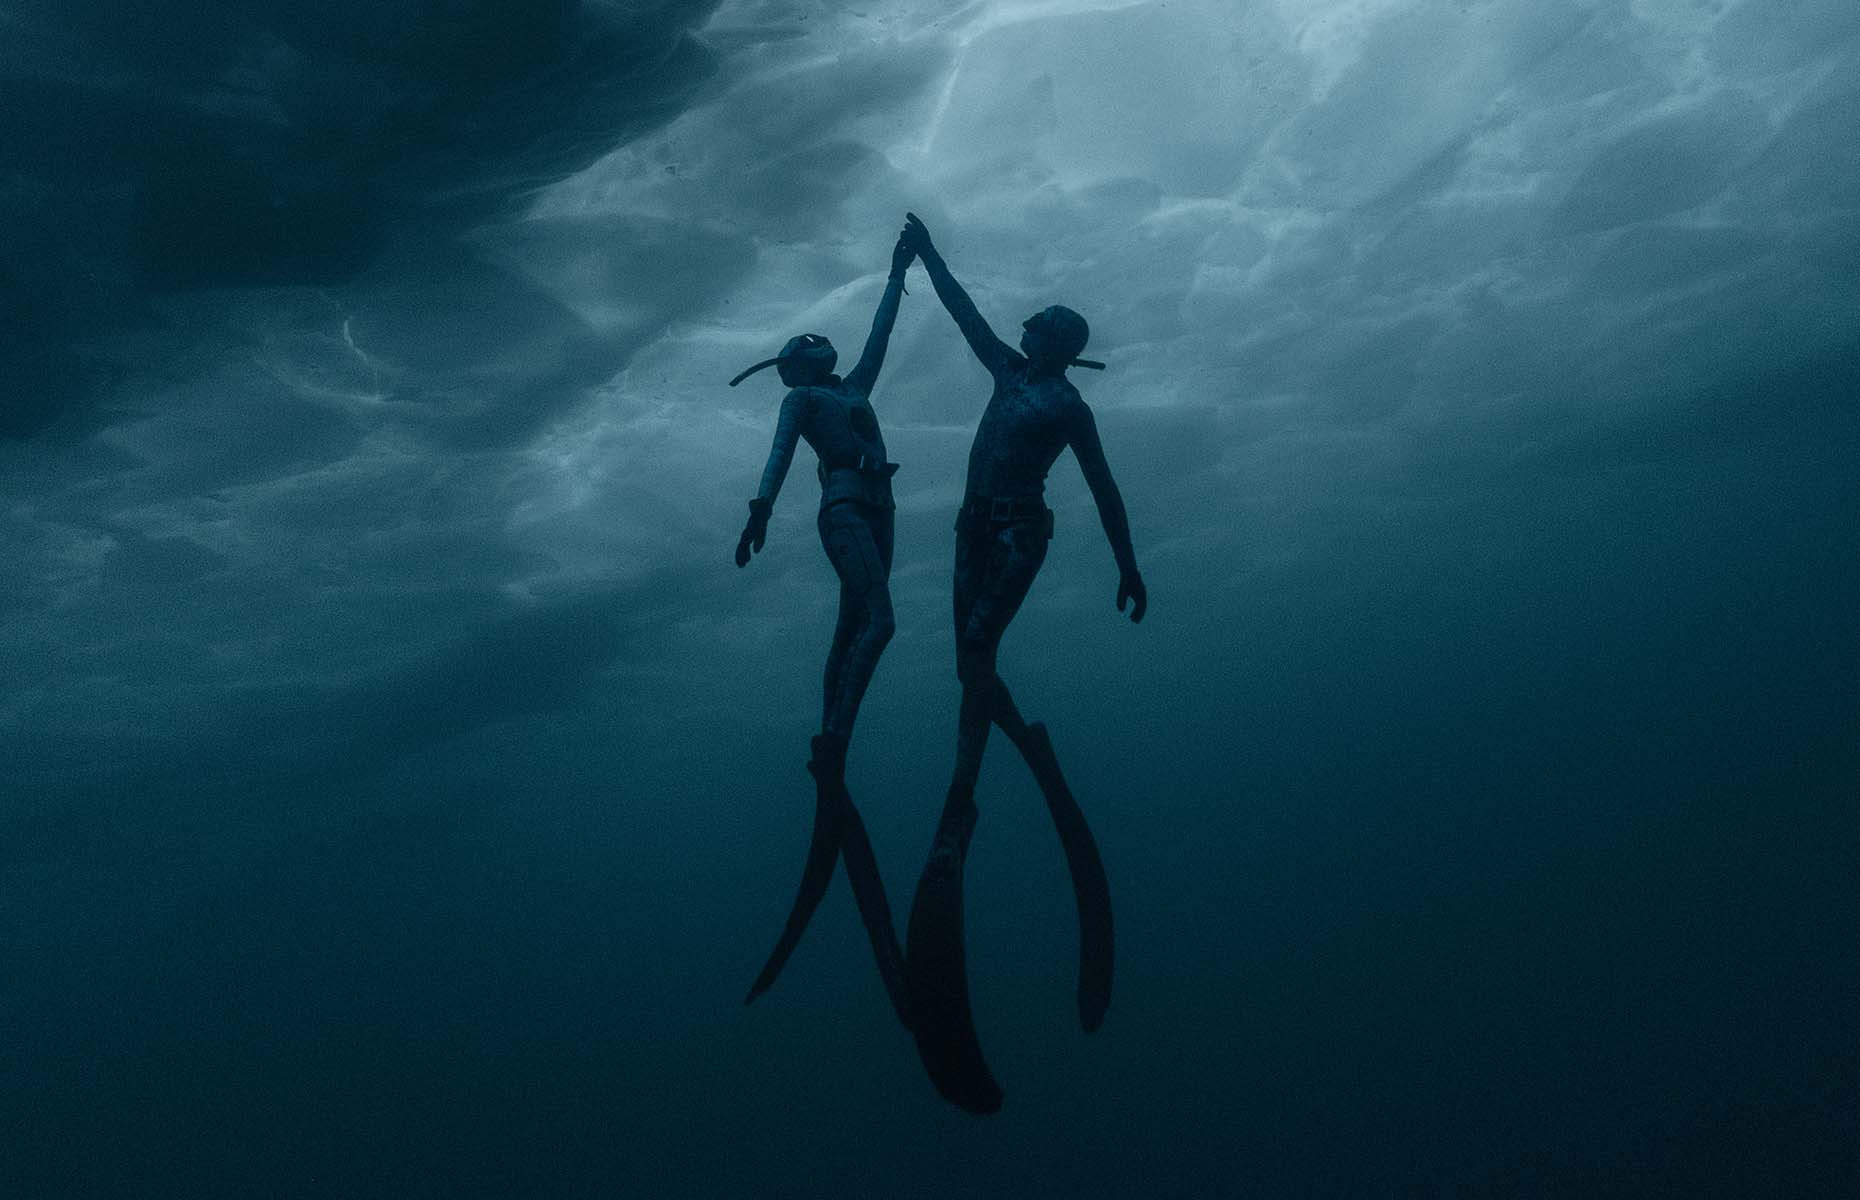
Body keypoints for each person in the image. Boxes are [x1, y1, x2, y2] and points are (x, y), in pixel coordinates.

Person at [897, 211, 1146, 1113]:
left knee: (972, 653)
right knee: (969, 664)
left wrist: (1127, 563)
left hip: (1016, 540)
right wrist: (927, 255)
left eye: (1041, 324)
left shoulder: (1068, 405)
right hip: (969, 536)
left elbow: (1103, 486)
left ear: (1061, 342)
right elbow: (964, 313)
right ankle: (991, 741)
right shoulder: (1007, 369)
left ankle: (964, 792)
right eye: (1032, 323)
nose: (1027, 328)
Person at [732, 232, 917, 1028]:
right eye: (805, 347)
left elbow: (880, 338)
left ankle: (830, 725)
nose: (818, 345)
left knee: (852, 628)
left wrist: (897, 274)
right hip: (843, 505)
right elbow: (776, 457)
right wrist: (760, 512)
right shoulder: (804, 401)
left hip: (881, 508)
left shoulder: (852, 388)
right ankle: (836, 731)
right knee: (880, 619)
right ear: (794, 367)